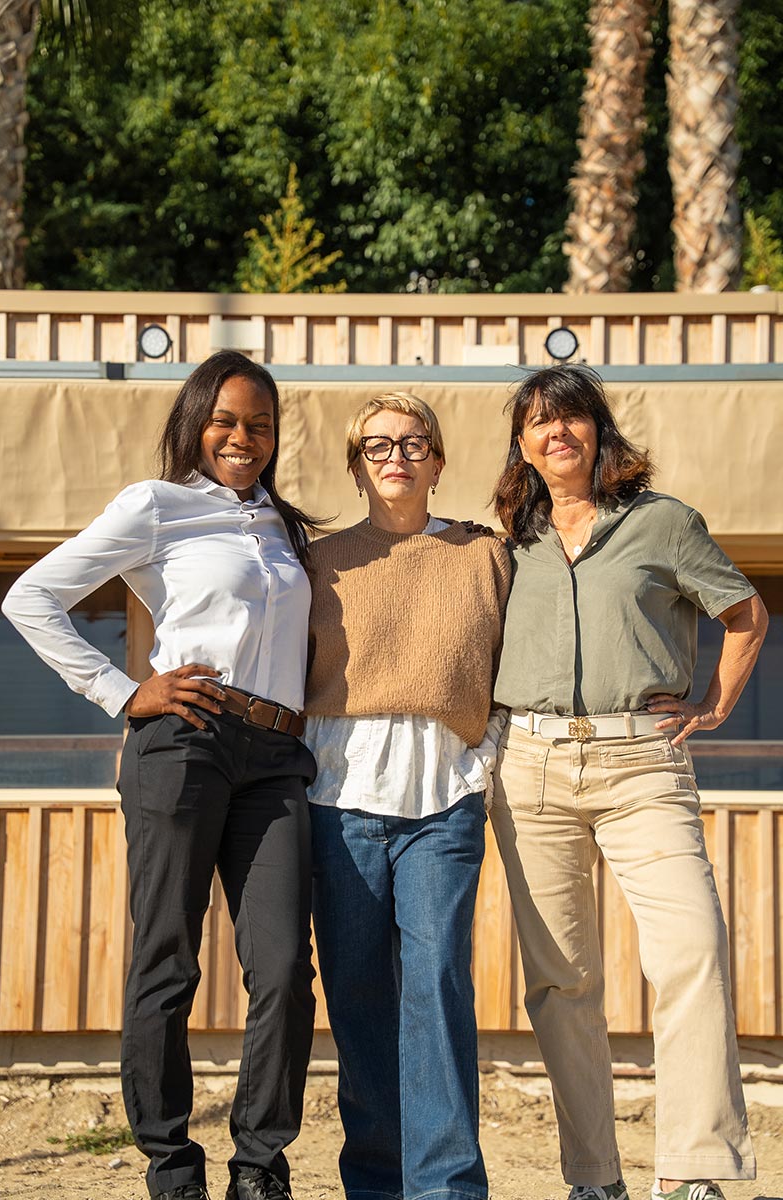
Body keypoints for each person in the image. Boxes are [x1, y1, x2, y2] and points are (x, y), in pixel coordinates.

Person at [2, 350, 322, 1200]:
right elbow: (30, 597)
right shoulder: (158, 506)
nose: (242, 438)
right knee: (168, 959)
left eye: (259, 424)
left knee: (286, 968)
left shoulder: (286, 528)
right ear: (194, 423)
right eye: (224, 421)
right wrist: (120, 689)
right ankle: (172, 1165)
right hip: (186, 738)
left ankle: (260, 1164)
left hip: (276, 757)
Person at [489, 364, 767, 1200]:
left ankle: (696, 1170)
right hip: (529, 767)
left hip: (641, 760)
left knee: (692, 951)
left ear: (599, 432)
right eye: (538, 423)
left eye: (571, 418)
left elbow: (745, 612)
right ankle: (593, 1179)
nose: (556, 434)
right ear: (523, 444)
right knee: (561, 980)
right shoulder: (507, 543)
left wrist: (715, 704)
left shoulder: (664, 524)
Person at [304, 392, 511, 1200]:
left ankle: (448, 1187)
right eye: (378, 445)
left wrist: (483, 758)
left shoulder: (484, 555)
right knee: (358, 999)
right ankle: (378, 1185)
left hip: (444, 804)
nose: (397, 456)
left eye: (414, 443)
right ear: (356, 464)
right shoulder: (319, 558)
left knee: (437, 989)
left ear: (439, 461)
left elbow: (508, 671)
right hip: (338, 804)